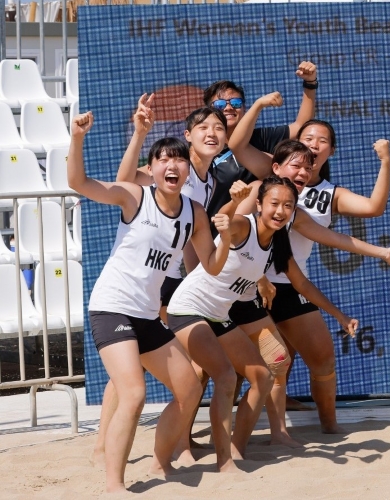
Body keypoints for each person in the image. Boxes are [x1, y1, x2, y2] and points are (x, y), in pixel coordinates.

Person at [69, 112, 231, 492]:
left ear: (187, 173)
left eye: (179, 160)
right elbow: (77, 182)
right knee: (134, 392)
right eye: (164, 159)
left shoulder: (195, 213)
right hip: (112, 307)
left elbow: (210, 265)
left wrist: (229, 237)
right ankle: (114, 484)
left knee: (190, 389)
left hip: (145, 315)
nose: (172, 165)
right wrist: (76, 138)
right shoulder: (134, 196)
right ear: (152, 169)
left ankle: (160, 464)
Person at [227, 140, 390, 450]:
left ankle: (312, 428)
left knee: (310, 358)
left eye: (309, 167)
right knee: (237, 370)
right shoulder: (256, 193)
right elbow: (227, 236)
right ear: (277, 168)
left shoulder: (293, 212)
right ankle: (211, 441)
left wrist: (382, 252)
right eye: (297, 165)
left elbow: (334, 240)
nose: (304, 171)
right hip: (239, 291)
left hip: (286, 287)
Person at [116, 97, 228, 320]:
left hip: (173, 277)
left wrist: (196, 281)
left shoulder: (211, 184)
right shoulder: (171, 167)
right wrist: (139, 134)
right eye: (203, 127)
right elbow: (124, 182)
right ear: (187, 135)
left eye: (219, 128)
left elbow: (191, 240)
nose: (211, 133)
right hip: (147, 277)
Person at [205, 61, 319, 217]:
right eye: (219, 104)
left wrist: (310, 83)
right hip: (212, 227)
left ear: (244, 108)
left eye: (236, 103)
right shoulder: (204, 148)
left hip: (252, 231)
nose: (229, 108)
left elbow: (301, 126)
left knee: (259, 185)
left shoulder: (261, 138)